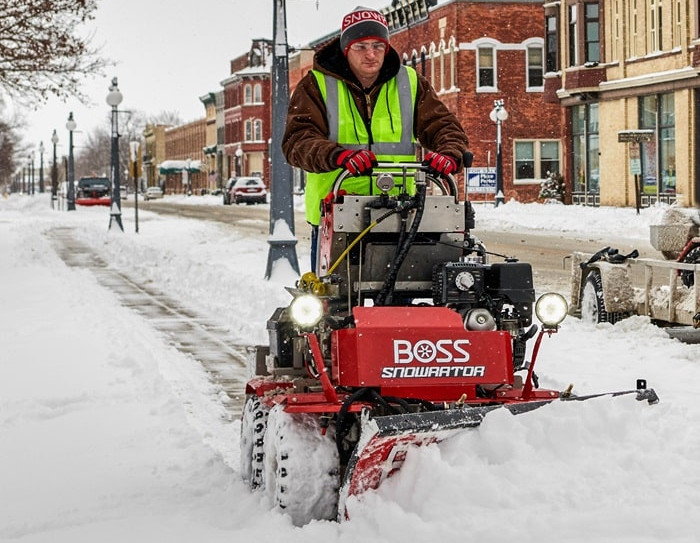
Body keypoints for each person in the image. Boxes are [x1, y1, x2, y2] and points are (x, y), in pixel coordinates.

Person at [282, 6, 470, 269]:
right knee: (335, 299)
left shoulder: (410, 82)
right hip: (338, 212)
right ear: (346, 49)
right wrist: (339, 156)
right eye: (361, 47)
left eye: (377, 46)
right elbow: (298, 141)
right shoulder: (316, 85)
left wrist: (450, 153)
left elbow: (442, 124)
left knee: (405, 293)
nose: (371, 54)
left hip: (400, 212)